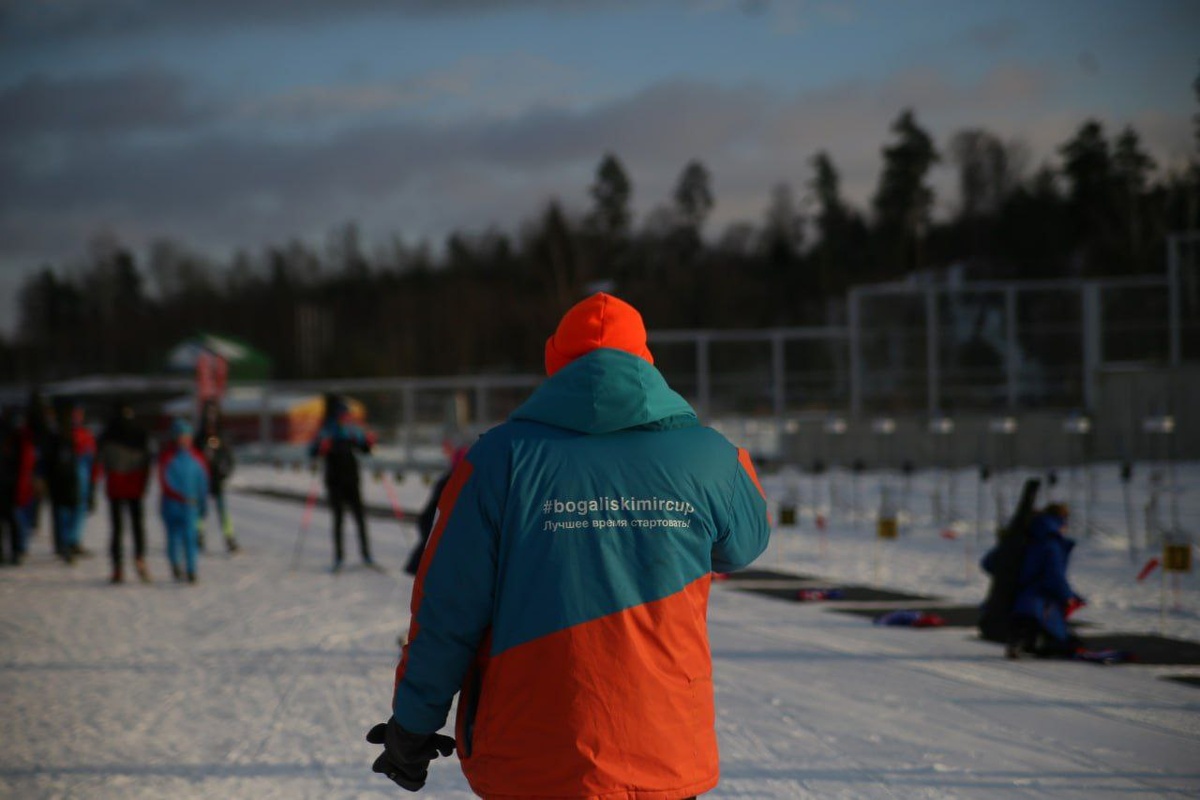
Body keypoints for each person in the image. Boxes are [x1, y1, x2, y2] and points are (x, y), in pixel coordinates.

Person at [367, 292, 771, 798]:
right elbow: (743, 546)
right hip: (661, 752)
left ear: (555, 365)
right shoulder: (711, 457)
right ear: (646, 364)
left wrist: (412, 726)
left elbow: (447, 611)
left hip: (530, 757)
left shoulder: (496, 460)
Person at [982, 502, 1085, 659]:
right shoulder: (1050, 541)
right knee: (1058, 633)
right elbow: (1054, 575)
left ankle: (1020, 642)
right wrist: (1068, 596)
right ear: (1061, 520)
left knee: (1024, 624)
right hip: (1036, 601)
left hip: (1008, 597)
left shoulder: (1019, 536)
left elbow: (989, 563)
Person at [309, 394, 376, 572]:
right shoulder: (327, 430)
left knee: (360, 518)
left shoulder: (352, 430)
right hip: (334, 481)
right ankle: (339, 557)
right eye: (343, 414)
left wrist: (368, 443)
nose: (346, 417)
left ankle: (366, 555)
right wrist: (321, 448)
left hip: (352, 480)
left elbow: (365, 450)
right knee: (339, 519)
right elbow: (313, 451)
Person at [97, 400, 153, 584]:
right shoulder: (140, 432)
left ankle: (117, 567)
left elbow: (100, 460)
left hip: (116, 485)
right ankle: (139, 560)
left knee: (117, 528)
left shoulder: (107, 433)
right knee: (137, 526)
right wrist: (145, 484)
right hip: (135, 486)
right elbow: (147, 461)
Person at [43, 397, 98, 563]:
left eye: (79, 414)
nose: (77, 417)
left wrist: (93, 479)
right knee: (65, 510)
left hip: (81, 476)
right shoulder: (61, 435)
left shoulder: (84, 434)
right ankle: (66, 543)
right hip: (66, 478)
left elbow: (93, 458)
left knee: (78, 509)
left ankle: (72, 541)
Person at [403, 444, 469, 577]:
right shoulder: (451, 480)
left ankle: (417, 570)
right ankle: (414, 571)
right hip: (431, 520)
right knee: (428, 548)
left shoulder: (454, 479)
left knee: (431, 548)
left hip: (433, 520)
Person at [158, 418, 209, 584]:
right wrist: (179, 497)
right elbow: (165, 482)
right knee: (173, 537)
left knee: (190, 538)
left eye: (187, 437)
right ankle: (175, 564)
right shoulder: (168, 457)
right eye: (181, 436)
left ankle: (191, 570)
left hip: (191, 506)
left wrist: (202, 503)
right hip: (172, 506)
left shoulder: (197, 458)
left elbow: (203, 482)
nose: (184, 440)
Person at [196, 400, 239, 553]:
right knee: (200, 509)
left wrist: (224, 471)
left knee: (222, 510)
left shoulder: (221, 434)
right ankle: (198, 535)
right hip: (202, 478)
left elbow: (229, 457)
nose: (211, 417)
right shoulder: (200, 436)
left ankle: (229, 537)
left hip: (217, 477)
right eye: (208, 413)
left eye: (213, 413)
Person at [0, 406, 37, 566]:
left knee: (11, 519)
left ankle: (14, 551)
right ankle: (16, 551)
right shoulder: (19, 438)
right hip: (13, 483)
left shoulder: (19, 439)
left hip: (12, 483)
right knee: (13, 519)